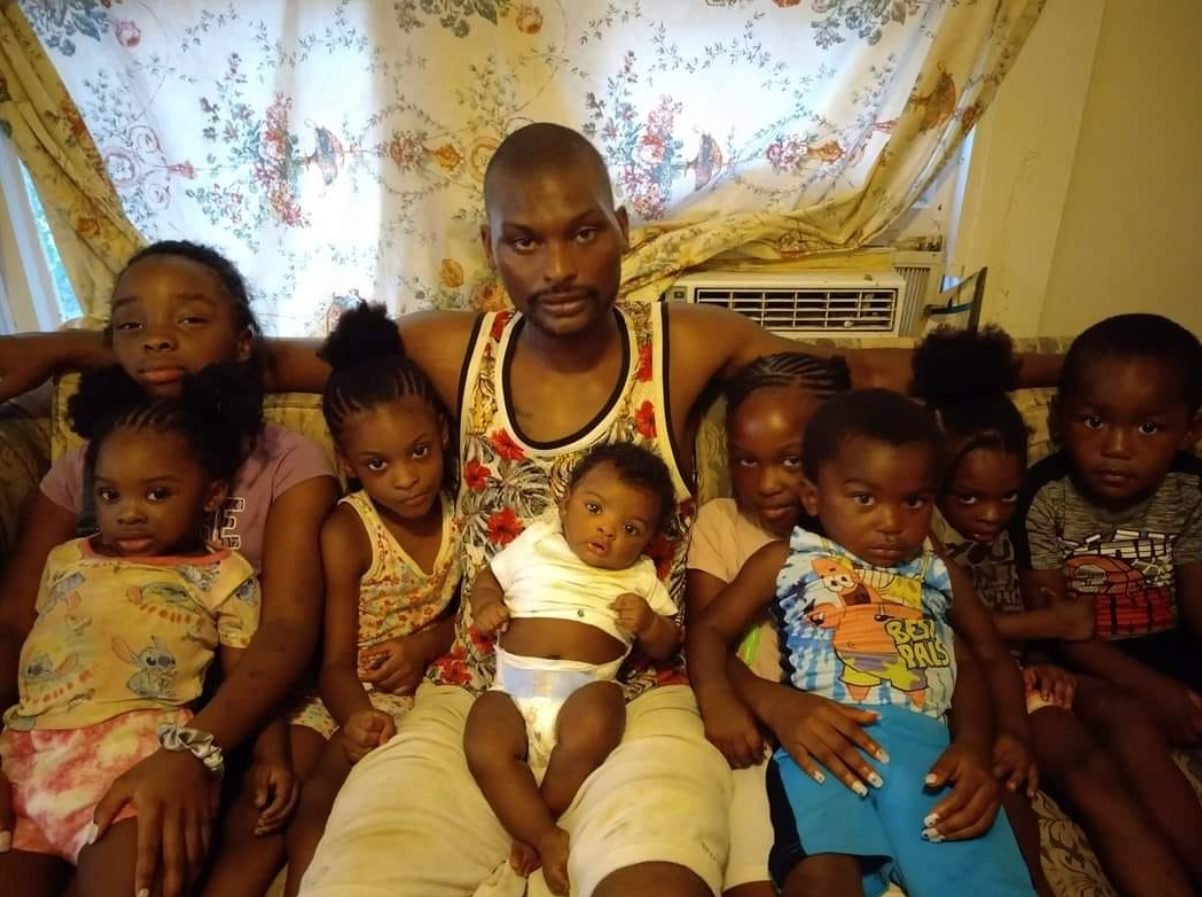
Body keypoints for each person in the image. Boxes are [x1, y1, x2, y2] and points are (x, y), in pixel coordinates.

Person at [0, 123, 1060, 897]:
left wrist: (1060, 367)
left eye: (583, 232)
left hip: (640, 692)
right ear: (491, 242)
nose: (557, 269)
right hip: (472, 688)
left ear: (621, 229)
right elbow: (268, 357)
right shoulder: (451, 347)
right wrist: (76, 349)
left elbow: (861, 368)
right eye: (524, 241)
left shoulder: (680, 340)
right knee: (360, 875)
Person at [0, 241, 339, 897]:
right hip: (63, 724)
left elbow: (288, 626)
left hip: (228, 706)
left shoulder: (285, 459)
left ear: (242, 341)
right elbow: (15, 617)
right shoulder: (84, 466)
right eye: (131, 324)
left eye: (188, 319)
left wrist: (194, 750)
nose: (156, 339)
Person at [689, 389, 1035, 897]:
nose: (892, 523)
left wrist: (982, 744)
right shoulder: (786, 559)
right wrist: (717, 697)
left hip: (930, 754)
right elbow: (707, 629)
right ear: (813, 496)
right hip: (827, 746)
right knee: (820, 879)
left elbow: (978, 658)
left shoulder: (936, 572)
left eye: (913, 501)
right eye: (865, 499)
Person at [0, 363, 263, 897]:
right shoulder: (64, 559)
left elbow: (248, 678)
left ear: (212, 495)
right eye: (109, 495)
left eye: (157, 494)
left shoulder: (223, 575)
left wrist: (270, 756)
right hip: (27, 761)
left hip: (139, 763)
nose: (129, 514)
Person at [1013, 313, 1202, 895]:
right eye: (1095, 422)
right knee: (1131, 727)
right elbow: (1058, 627)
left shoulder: (1191, 488)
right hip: (1085, 663)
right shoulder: (1047, 495)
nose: (1117, 449)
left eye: (1148, 428)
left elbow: (1197, 607)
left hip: (1171, 648)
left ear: (1190, 431)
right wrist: (1154, 691)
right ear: (1061, 418)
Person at [282, 302, 461, 895]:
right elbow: (333, 662)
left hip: (423, 694)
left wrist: (426, 643)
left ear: (442, 434)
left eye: (419, 452)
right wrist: (357, 716)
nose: (406, 478)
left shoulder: (463, 510)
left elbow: (474, 610)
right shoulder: (347, 530)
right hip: (343, 696)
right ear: (348, 464)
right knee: (301, 800)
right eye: (378, 464)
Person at [465, 442, 680, 895]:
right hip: (511, 690)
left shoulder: (640, 576)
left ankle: (537, 819)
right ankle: (546, 836)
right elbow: (488, 578)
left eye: (631, 528)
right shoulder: (537, 542)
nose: (607, 529)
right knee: (483, 742)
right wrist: (485, 604)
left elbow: (668, 644)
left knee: (601, 713)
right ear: (565, 504)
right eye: (594, 508)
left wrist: (648, 624)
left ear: (648, 541)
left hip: (584, 692)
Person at [686, 352, 850, 897]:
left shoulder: (871, 525)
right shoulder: (723, 523)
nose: (768, 483)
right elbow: (706, 634)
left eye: (792, 460)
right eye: (746, 461)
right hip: (758, 731)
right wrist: (767, 702)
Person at [914, 326, 1068, 897]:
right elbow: (959, 627)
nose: (990, 514)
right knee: (1001, 786)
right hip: (957, 681)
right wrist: (1048, 626)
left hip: (1015, 676)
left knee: (1086, 754)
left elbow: (1039, 603)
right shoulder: (920, 531)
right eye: (970, 498)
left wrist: (1046, 648)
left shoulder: (1024, 521)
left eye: (1007, 496)